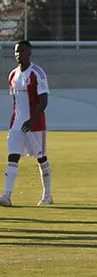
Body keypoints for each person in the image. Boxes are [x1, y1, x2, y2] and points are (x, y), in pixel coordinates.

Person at [3, 40, 51, 207]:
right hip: (16, 125)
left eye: (21, 51)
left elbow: (44, 101)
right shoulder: (12, 75)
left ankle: (47, 194)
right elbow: (16, 102)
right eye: (16, 51)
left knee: (41, 158)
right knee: (12, 157)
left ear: (29, 52)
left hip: (35, 125)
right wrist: (20, 120)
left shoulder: (37, 73)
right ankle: (6, 196)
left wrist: (32, 120)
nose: (18, 54)